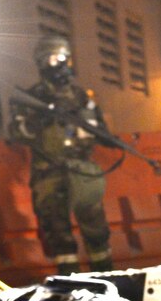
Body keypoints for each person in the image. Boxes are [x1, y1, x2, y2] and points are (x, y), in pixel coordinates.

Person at [10, 34, 115, 272]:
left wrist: (108, 138)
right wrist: (41, 119)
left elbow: (100, 130)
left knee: (96, 230)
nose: (57, 63)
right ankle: (69, 283)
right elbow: (17, 132)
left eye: (62, 58)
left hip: (81, 171)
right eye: (51, 58)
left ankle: (106, 277)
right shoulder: (32, 97)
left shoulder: (81, 98)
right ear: (41, 63)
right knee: (58, 234)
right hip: (49, 173)